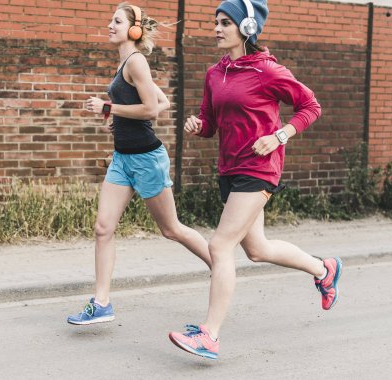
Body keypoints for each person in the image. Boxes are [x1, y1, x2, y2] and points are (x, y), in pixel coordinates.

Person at [168, 0, 343, 359]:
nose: (217, 28)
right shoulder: (214, 73)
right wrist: (198, 126)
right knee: (257, 249)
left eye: (225, 22)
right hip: (229, 168)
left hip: (259, 168)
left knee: (219, 246)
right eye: (215, 22)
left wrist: (280, 135)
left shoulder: (268, 70)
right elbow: (210, 121)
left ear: (247, 28)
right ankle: (323, 268)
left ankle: (209, 335)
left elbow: (311, 106)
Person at [66, 3, 212, 325]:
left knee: (171, 229)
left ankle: (220, 266)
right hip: (122, 159)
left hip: (147, 159)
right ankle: (101, 302)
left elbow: (151, 110)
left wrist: (108, 107)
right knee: (103, 228)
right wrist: (114, 114)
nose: (109, 25)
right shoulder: (123, 65)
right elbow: (163, 100)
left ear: (133, 29)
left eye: (116, 21)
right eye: (110, 20)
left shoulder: (136, 62)